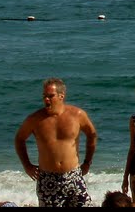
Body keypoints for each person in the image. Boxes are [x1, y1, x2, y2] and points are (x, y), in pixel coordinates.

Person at [14, 77, 97, 208]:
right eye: (44, 96)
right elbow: (19, 139)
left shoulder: (77, 115)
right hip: (48, 178)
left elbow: (92, 135)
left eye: (50, 96)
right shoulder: (35, 119)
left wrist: (87, 162)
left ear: (61, 96)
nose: (46, 99)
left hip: (73, 176)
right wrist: (27, 165)